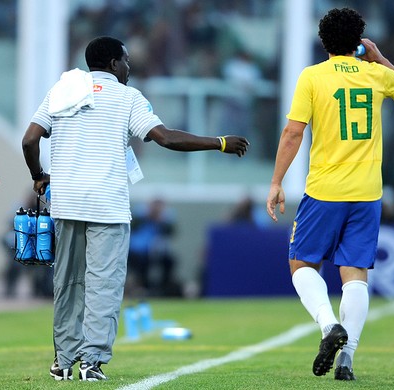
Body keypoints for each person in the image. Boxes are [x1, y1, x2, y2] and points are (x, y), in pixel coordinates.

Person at [22, 36, 249, 381]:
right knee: (104, 285)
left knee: (68, 282)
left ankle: (63, 362)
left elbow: (29, 139)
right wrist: (219, 143)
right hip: (107, 207)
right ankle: (91, 362)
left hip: (66, 204)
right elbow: (166, 137)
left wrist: (39, 176)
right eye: (126, 61)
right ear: (114, 63)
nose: (130, 67)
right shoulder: (127, 97)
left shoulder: (62, 89)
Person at [265, 8, 394, 381]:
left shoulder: (313, 77)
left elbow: (293, 132)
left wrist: (276, 182)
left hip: (325, 189)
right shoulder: (376, 74)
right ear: (358, 42)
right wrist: (380, 58)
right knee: (355, 276)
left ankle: (328, 325)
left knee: (301, 265)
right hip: (367, 193)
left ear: (323, 41)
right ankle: (346, 359)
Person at [127, 198, 178, 297]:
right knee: (141, 265)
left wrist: (161, 221)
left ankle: (164, 288)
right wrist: (147, 217)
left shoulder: (164, 218)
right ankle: (143, 287)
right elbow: (132, 227)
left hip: (157, 251)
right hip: (138, 251)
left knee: (169, 262)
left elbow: (171, 232)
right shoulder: (139, 215)